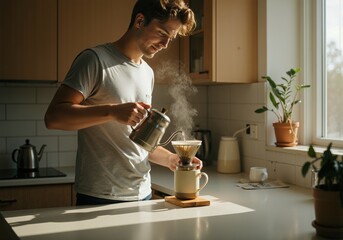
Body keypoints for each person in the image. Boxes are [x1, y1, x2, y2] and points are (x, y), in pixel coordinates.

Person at [45, 0, 202, 205]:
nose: (165, 44)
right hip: (100, 195)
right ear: (139, 21)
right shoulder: (95, 60)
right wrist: (112, 111)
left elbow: (139, 141)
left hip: (143, 193)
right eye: (163, 34)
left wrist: (170, 159)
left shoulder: (147, 73)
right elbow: (54, 117)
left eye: (170, 39)